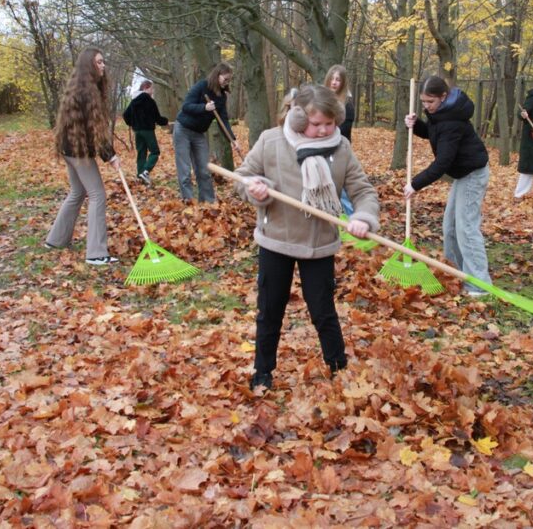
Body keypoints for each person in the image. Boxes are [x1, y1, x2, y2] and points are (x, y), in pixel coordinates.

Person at [236, 84, 380, 391]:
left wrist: (362, 217)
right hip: (276, 239)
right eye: (317, 124)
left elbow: (363, 190)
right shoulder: (271, 141)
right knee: (270, 310)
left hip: (319, 245)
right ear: (299, 117)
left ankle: (338, 366)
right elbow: (243, 175)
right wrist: (254, 187)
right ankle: (263, 371)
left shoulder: (341, 148)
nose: (323, 130)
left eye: (330, 123)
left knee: (323, 310)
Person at [404, 75, 492, 296]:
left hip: (473, 174)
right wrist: (417, 126)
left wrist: (415, 184)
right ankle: (456, 274)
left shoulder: (452, 120)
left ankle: (480, 285)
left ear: (443, 97)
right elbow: (434, 133)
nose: (426, 106)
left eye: (430, 102)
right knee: (450, 227)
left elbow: (443, 161)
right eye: (423, 102)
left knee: (466, 228)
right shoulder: (441, 113)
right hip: (462, 175)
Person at [45, 48, 120, 265]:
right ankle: (96, 253)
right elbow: (95, 130)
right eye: (98, 62)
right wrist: (111, 156)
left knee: (77, 192)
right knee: (98, 195)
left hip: (69, 150)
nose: (103, 65)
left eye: (103, 61)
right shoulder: (88, 93)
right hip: (78, 152)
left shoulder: (79, 88)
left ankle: (56, 239)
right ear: (89, 66)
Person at [173, 62, 241, 202]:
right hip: (183, 130)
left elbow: (223, 121)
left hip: (199, 134)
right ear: (217, 75)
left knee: (204, 169)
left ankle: (208, 202)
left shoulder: (222, 97)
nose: (227, 82)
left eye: (229, 80)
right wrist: (204, 107)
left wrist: (232, 139)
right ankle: (188, 200)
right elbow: (186, 107)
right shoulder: (201, 86)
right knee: (185, 170)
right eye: (225, 79)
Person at [323, 64, 356, 216]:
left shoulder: (347, 105)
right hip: (321, 151)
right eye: (332, 78)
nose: (334, 82)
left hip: (339, 151)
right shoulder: (322, 100)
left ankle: (353, 221)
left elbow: (342, 133)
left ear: (342, 83)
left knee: (342, 190)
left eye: (338, 79)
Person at [122, 80, 168, 186]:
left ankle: (140, 176)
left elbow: (125, 115)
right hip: (147, 130)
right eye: (152, 88)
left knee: (141, 152)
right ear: (145, 88)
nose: (153, 91)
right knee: (155, 152)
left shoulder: (134, 101)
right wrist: (165, 121)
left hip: (137, 131)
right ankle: (146, 171)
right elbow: (158, 118)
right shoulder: (150, 101)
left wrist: (133, 123)